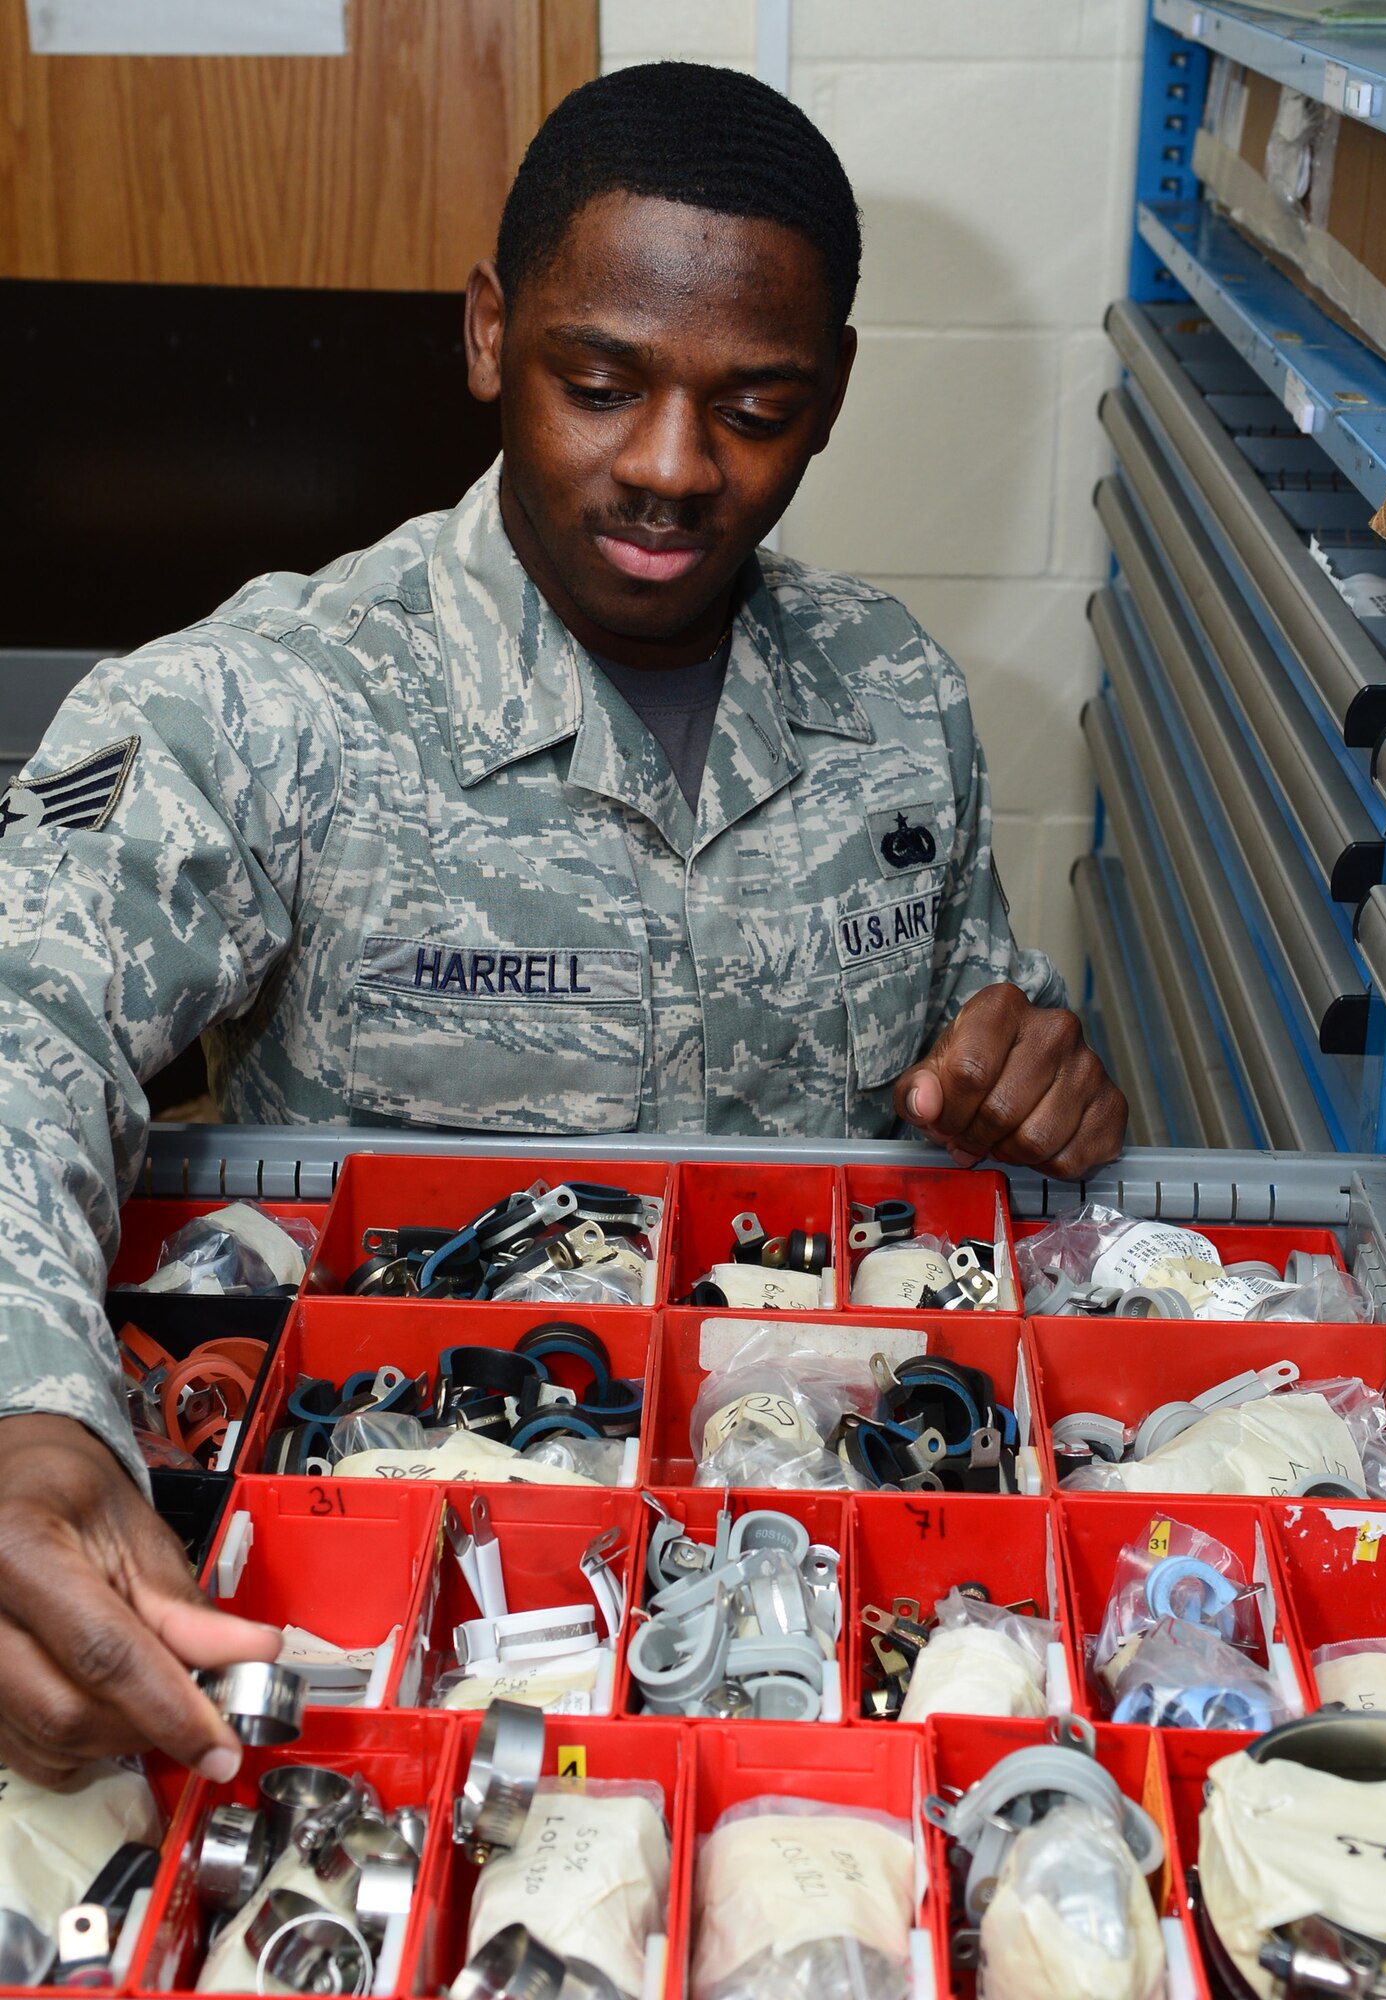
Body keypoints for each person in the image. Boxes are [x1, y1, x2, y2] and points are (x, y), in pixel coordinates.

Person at [0, 62, 1126, 1783]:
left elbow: (981, 1051)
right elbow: (26, 1020)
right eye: (598, 386)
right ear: (486, 336)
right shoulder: (264, 702)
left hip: (799, 1534)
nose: (670, 467)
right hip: (396, 1547)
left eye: (754, 406)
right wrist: (30, 1404)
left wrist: (1037, 1076)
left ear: (830, 396)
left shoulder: (895, 696)